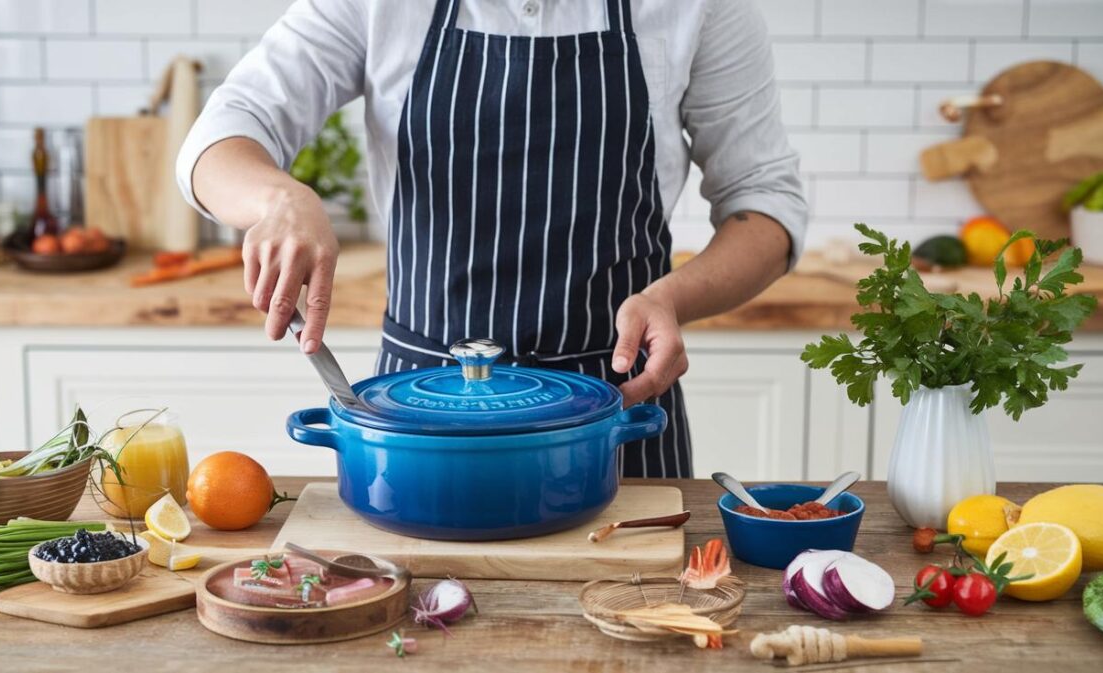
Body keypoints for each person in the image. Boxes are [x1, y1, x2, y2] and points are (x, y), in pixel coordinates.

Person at [176, 0, 807, 478]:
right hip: (419, 418)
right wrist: (280, 198)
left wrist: (673, 299)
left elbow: (766, 204)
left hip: (616, 418)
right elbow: (223, 134)